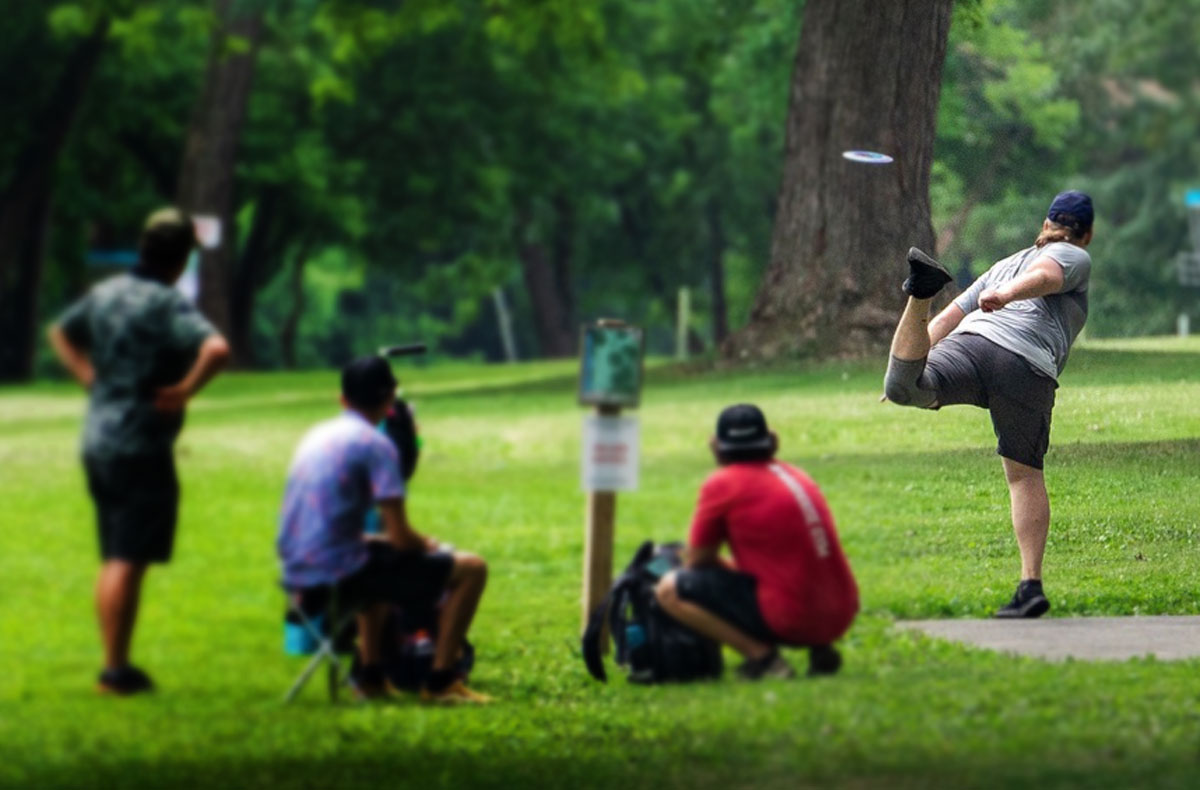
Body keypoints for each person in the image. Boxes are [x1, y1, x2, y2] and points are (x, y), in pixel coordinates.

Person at [882, 190, 1095, 618]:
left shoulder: (1003, 263)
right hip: (1024, 365)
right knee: (1023, 475)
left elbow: (943, 321)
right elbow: (1048, 276)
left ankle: (919, 293)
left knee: (909, 387)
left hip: (971, 345)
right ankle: (1030, 584)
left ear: (1046, 221)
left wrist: (902, 376)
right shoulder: (1073, 254)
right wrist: (1011, 295)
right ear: (1086, 233)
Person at [48, 207, 231, 695]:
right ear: (181, 256)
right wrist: (185, 391)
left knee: (114, 555)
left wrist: (87, 374)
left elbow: (60, 332)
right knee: (128, 558)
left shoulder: (106, 293)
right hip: (141, 444)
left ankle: (116, 663)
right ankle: (114, 669)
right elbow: (217, 349)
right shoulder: (164, 303)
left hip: (98, 440)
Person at [277, 355, 491, 703]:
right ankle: (440, 682)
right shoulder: (376, 445)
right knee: (472, 568)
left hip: (297, 572)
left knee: (376, 560)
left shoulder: (317, 436)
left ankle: (371, 676)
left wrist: (376, 541)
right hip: (339, 573)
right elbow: (402, 537)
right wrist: (429, 545)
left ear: (342, 399)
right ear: (391, 398)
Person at [654, 404, 859, 679]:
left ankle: (763, 658)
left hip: (791, 618)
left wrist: (690, 557)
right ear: (772, 441)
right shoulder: (795, 475)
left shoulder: (723, 484)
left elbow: (698, 561)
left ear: (716, 446)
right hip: (841, 611)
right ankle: (820, 648)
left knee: (669, 589)